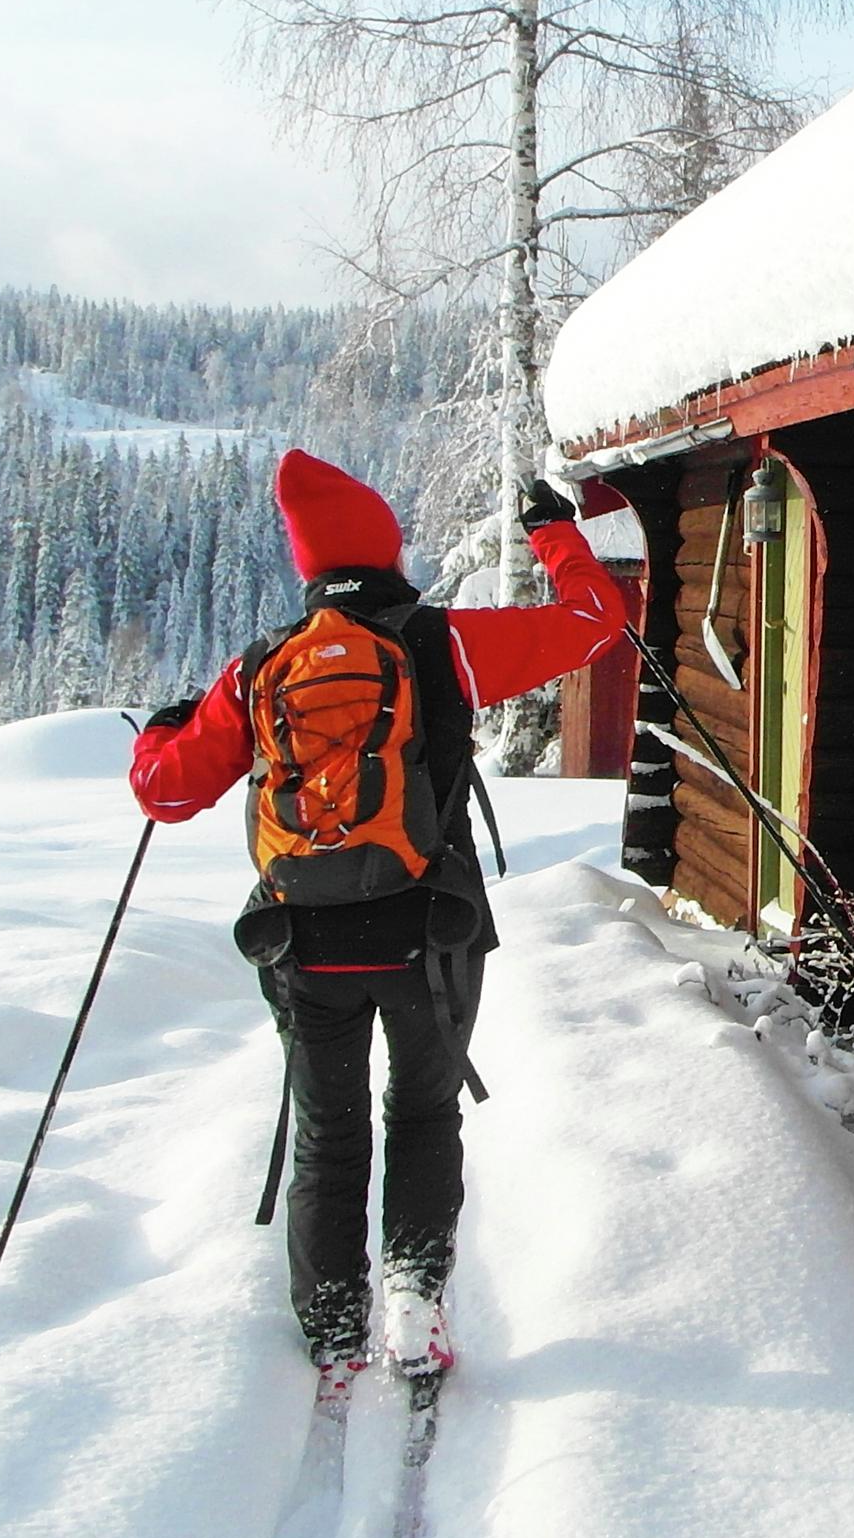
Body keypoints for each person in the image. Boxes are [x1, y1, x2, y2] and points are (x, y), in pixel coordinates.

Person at [131, 449, 634, 1383]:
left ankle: (330, 1324)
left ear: (309, 564)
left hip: (302, 943)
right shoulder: (443, 645)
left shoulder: (261, 666)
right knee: (424, 1111)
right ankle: (413, 1297)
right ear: (388, 552)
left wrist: (165, 730)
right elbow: (598, 624)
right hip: (430, 935)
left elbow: (164, 792)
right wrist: (553, 533)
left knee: (330, 1131)